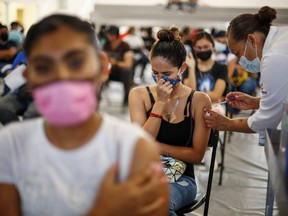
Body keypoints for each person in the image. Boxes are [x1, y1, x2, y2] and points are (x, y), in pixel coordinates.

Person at [0, 14, 169, 215]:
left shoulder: (132, 148)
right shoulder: (11, 144)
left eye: (76, 63)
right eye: (44, 67)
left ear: (101, 67)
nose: (61, 77)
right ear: (28, 76)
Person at [129, 26, 211, 216]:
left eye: (166, 75)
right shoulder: (139, 95)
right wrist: (159, 104)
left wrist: (156, 147)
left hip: (181, 179)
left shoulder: (198, 100)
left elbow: (197, 155)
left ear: (182, 68)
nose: (159, 80)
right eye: (154, 73)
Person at [203, 6, 288, 145]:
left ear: (252, 40)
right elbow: (282, 100)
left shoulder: (274, 57)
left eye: (238, 53)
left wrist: (227, 124)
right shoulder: (280, 39)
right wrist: (256, 102)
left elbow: (266, 120)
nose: (240, 61)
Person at [184, 31, 228, 104]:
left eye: (206, 47)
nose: (202, 50)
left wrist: (195, 94)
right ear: (194, 49)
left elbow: (216, 95)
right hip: (193, 108)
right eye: (199, 47)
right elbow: (189, 93)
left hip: (214, 108)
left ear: (213, 46)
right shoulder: (189, 66)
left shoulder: (222, 68)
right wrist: (191, 68)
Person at [103, 25, 134, 106]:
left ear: (115, 35)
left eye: (110, 34)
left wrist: (116, 63)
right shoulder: (106, 44)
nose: (108, 36)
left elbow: (128, 64)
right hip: (109, 71)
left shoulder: (125, 46)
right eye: (108, 34)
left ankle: (126, 97)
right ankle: (95, 97)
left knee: (126, 71)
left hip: (120, 73)